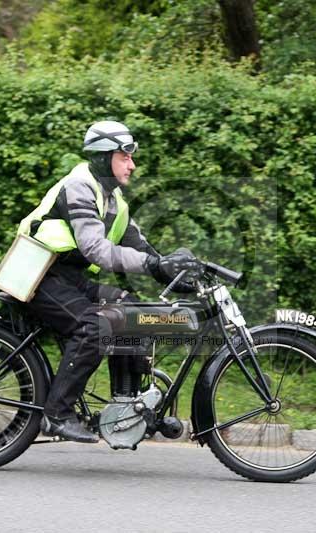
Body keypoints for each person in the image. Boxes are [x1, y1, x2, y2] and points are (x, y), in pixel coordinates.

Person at [18, 120, 197, 443]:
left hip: (67, 277)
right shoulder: (79, 186)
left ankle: (128, 407)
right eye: (125, 156)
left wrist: (174, 273)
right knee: (94, 326)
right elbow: (96, 249)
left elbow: (142, 249)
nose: (132, 164)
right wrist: (156, 264)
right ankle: (56, 415)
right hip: (37, 274)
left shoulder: (114, 202)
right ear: (103, 157)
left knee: (130, 310)